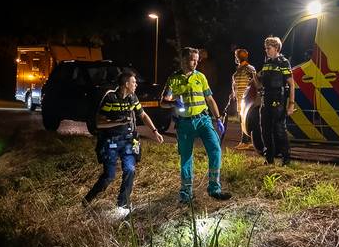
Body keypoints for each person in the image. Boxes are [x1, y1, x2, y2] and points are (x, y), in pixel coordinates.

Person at [83, 70, 164, 216]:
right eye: (134, 82)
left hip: (128, 141)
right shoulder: (110, 98)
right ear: (126, 84)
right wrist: (118, 121)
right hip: (111, 142)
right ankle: (87, 201)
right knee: (109, 176)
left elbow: (143, 115)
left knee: (130, 170)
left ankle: (123, 204)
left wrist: (155, 131)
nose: (136, 84)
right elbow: (99, 123)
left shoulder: (133, 98)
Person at [161, 47, 232, 203]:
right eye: (192, 59)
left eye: (196, 60)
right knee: (186, 158)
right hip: (184, 124)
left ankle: (214, 188)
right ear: (183, 59)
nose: (195, 63)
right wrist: (173, 102)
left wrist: (218, 118)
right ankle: (186, 193)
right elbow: (163, 102)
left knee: (215, 150)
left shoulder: (201, 77)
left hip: (203, 120)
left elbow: (210, 99)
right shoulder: (173, 79)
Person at [255, 36, 296, 165]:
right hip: (265, 99)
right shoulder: (267, 63)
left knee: (279, 130)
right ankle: (269, 159)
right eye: (265, 48)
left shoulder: (283, 62)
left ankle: (286, 159)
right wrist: (255, 77)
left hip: (278, 99)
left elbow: (292, 84)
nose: (266, 50)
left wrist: (291, 105)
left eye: (269, 48)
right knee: (265, 129)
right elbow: (260, 83)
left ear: (276, 48)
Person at [228, 48, 258, 150]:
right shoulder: (240, 69)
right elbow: (235, 84)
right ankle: (244, 141)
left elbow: (254, 82)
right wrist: (233, 93)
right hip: (240, 98)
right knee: (242, 120)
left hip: (247, 98)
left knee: (246, 120)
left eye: (237, 56)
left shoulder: (249, 68)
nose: (236, 58)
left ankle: (247, 142)